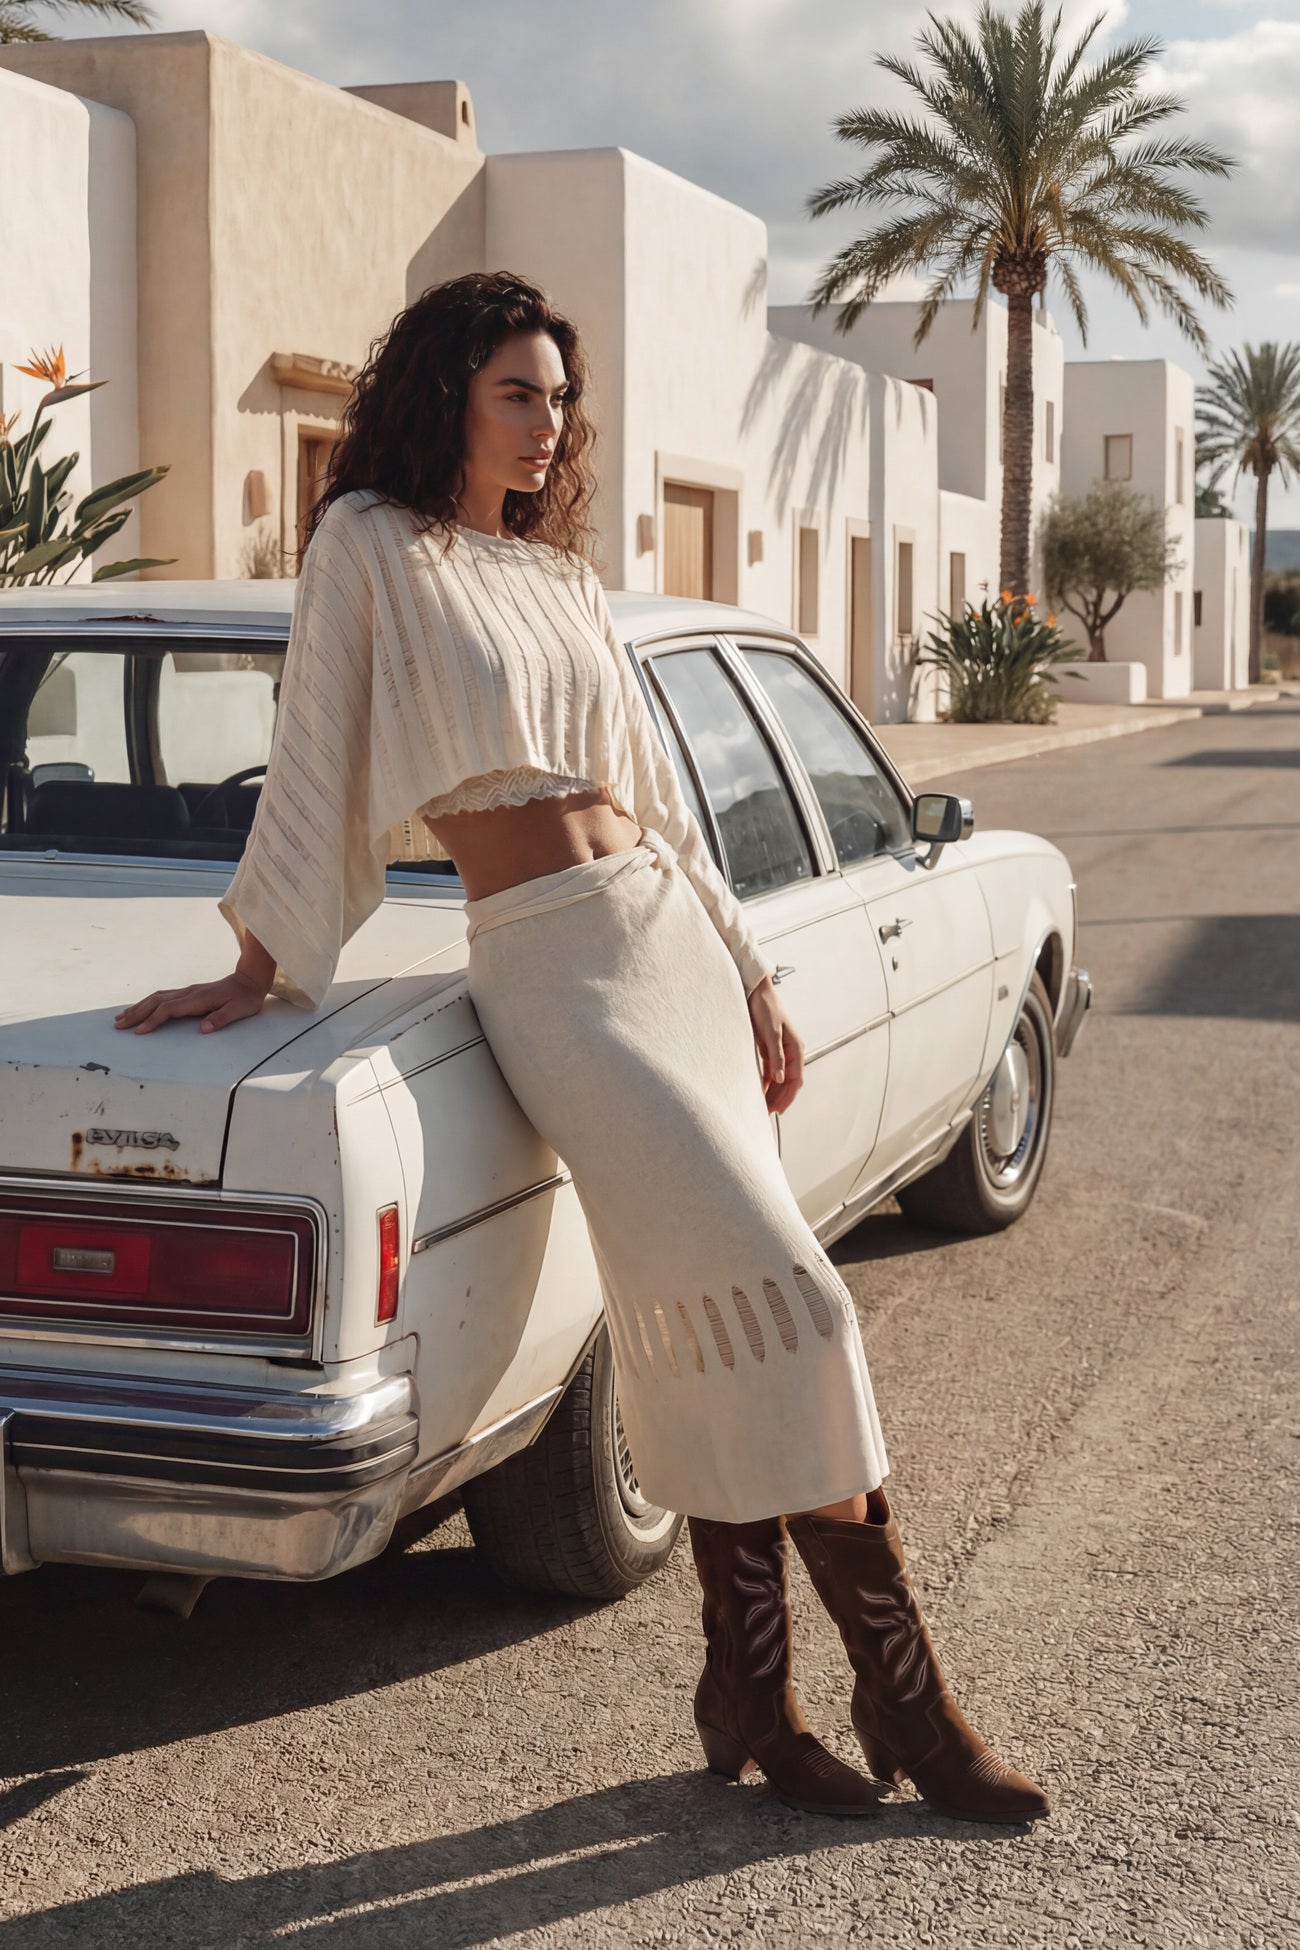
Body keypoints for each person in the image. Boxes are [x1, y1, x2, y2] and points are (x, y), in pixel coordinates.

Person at [114, 270, 1048, 1824]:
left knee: (718, 1319)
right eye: (517, 393)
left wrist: (748, 973)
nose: (547, 424)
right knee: (802, 1303)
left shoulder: (557, 575)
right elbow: (312, 753)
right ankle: (913, 1704)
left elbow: (658, 800)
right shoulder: (368, 543)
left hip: (669, 944)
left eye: (559, 398)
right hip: (556, 970)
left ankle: (751, 1685)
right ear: (446, 395)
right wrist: (256, 962)